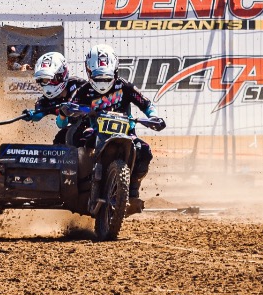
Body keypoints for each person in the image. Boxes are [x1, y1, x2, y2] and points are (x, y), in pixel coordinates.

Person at [30, 45, 166, 204]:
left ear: (115, 71)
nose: (102, 82)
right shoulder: (82, 91)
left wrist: (153, 117)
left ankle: (133, 189)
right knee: (76, 141)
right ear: (89, 72)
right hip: (94, 132)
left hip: (126, 134)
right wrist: (64, 113)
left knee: (144, 150)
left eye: (106, 77)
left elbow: (146, 104)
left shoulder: (125, 86)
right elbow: (62, 122)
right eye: (97, 77)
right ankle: (75, 183)